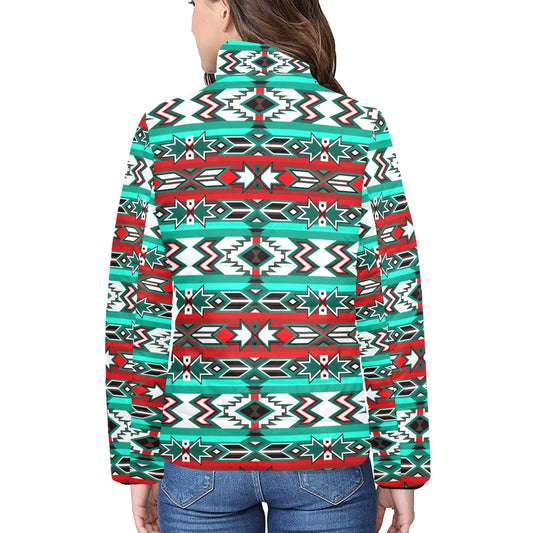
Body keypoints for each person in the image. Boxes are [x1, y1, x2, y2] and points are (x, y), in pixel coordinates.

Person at [104, 1, 431, 532]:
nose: (190, 21)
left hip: (198, 453)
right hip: (325, 450)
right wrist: (402, 462)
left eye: (193, 4)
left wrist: (135, 456)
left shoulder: (163, 130)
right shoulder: (359, 128)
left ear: (224, 9)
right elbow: (392, 305)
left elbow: (136, 307)